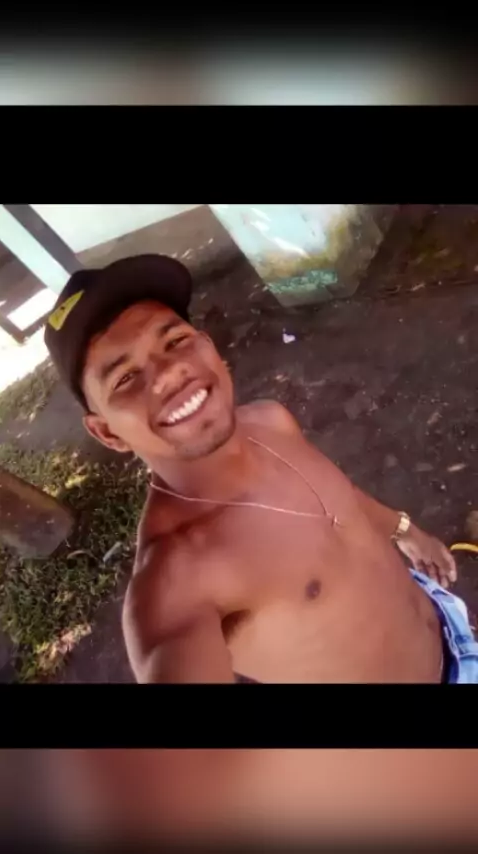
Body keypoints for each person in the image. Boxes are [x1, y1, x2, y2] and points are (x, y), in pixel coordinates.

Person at [45, 254, 478, 684]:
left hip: (447, 622)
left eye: (175, 341)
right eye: (124, 378)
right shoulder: (176, 581)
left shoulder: (270, 421)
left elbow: (340, 500)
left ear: (208, 345)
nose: (169, 373)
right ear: (107, 433)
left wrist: (405, 530)